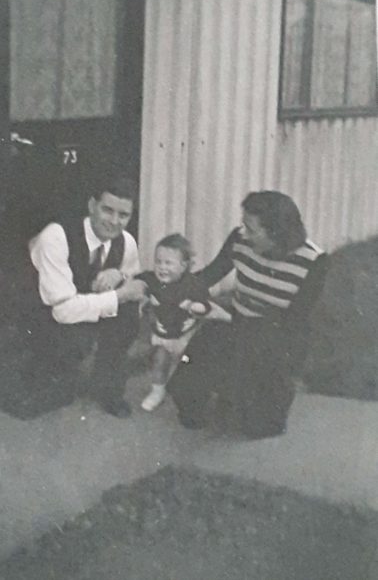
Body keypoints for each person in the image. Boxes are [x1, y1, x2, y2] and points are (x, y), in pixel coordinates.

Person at [168, 191, 329, 439]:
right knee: (189, 406)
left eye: (251, 228)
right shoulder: (240, 240)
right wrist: (168, 289)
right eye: (243, 224)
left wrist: (233, 323)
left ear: (275, 234)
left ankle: (242, 397)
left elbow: (294, 322)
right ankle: (221, 394)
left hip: (279, 339)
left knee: (260, 427)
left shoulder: (315, 261)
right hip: (237, 322)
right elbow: (209, 275)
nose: (243, 232)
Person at [24, 176, 147, 418]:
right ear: (92, 205)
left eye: (123, 215)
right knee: (53, 386)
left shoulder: (126, 242)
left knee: (129, 314)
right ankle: (52, 372)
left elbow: (134, 279)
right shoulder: (56, 236)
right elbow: (61, 310)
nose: (114, 222)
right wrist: (119, 294)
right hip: (41, 313)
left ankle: (108, 389)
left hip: (82, 308)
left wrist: (119, 273)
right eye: (107, 210)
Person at [137, 234, 212, 412]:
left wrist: (195, 306)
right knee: (160, 360)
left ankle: (192, 392)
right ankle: (158, 390)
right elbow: (138, 280)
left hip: (186, 335)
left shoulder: (192, 285)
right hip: (163, 333)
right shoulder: (152, 280)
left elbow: (206, 304)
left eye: (168, 263)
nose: (162, 267)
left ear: (183, 266)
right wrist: (141, 294)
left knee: (187, 364)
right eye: (158, 262)